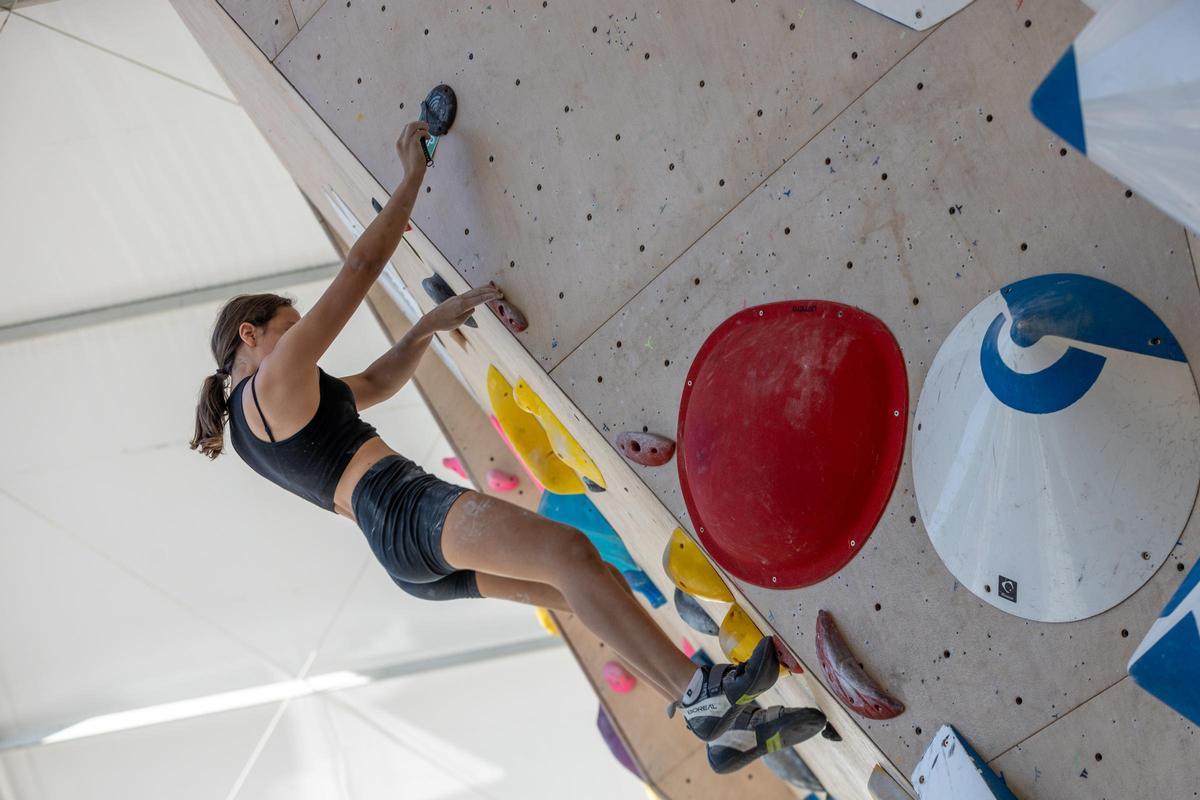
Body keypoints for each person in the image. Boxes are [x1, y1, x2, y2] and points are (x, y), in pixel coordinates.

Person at [190, 120, 830, 772]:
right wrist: (412, 175)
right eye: (291, 329)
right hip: (407, 509)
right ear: (252, 333)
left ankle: (718, 725)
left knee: (587, 581)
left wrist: (426, 327)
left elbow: (375, 382)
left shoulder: (254, 432)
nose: (303, 341)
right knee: (570, 552)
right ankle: (704, 698)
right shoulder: (269, 384)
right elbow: (360, 268)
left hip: (400, 551)